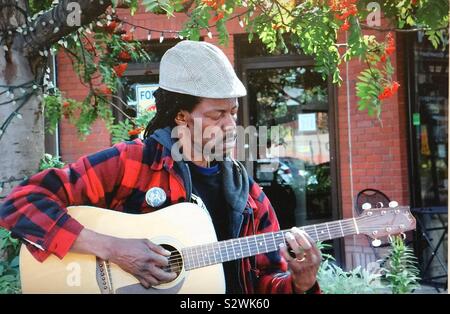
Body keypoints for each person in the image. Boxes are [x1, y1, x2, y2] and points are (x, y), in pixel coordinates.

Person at [0, 40, 321, 294]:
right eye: (216, 115)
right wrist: (113, 248)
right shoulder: (131, 163)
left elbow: (267, 281)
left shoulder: (247, 194)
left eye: (234, 112)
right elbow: (20, 202)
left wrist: (300, 283)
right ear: (181, 116)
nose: (231, 125)